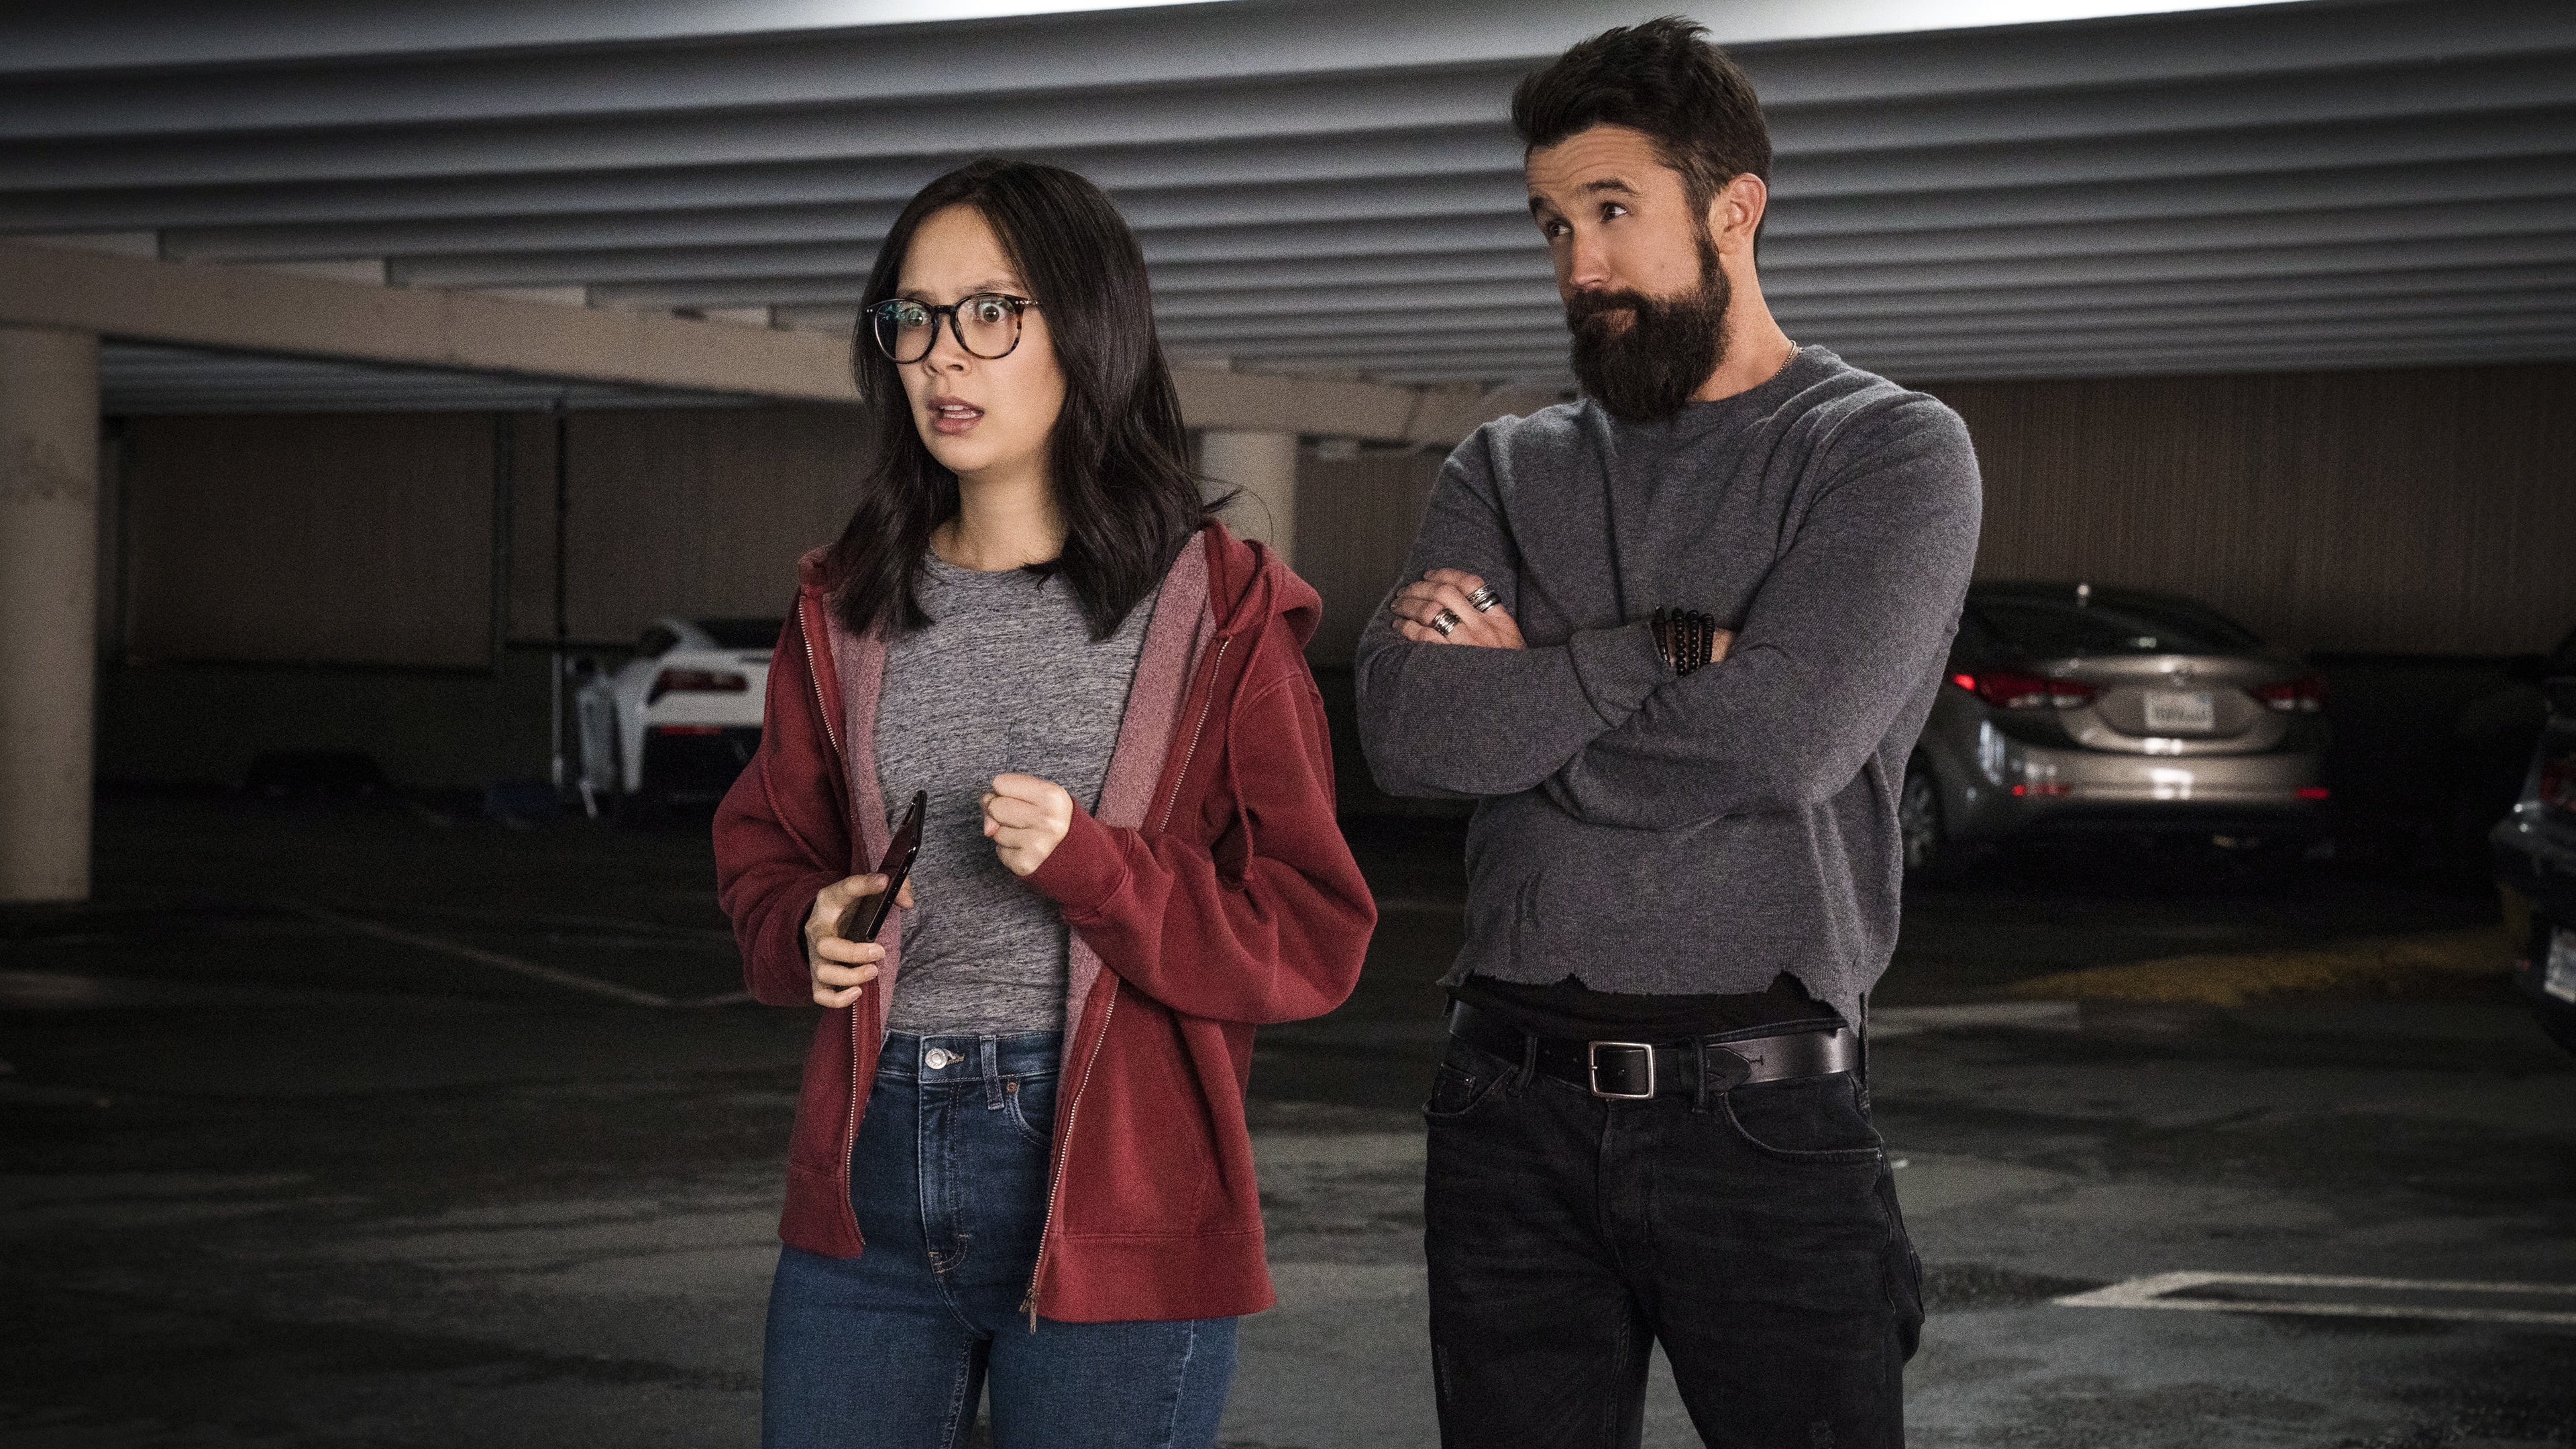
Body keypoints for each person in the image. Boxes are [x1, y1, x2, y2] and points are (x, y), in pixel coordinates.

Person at [1353, 19, 1981, 1449]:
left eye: (1612, 211)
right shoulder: (1507, 464)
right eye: (1552, 223)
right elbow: (1409, 731)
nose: (1579, 263)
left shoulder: (1884, 448)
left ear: (1733, 208)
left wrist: (1532, 704)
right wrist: (1657, 653)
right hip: (1503, 1103)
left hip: (1761, 1115)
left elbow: (1787, 742)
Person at [715, 158, 1375, 1449]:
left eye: (989, 313)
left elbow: (1309, 930)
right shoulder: (844, 606)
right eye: (912, 319)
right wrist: (804, 922)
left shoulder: (1220, 612)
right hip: (868, 1173)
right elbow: (765, 848)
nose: (940, 357)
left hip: (1119, 1187)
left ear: (1088, 330)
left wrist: (1101, 870)